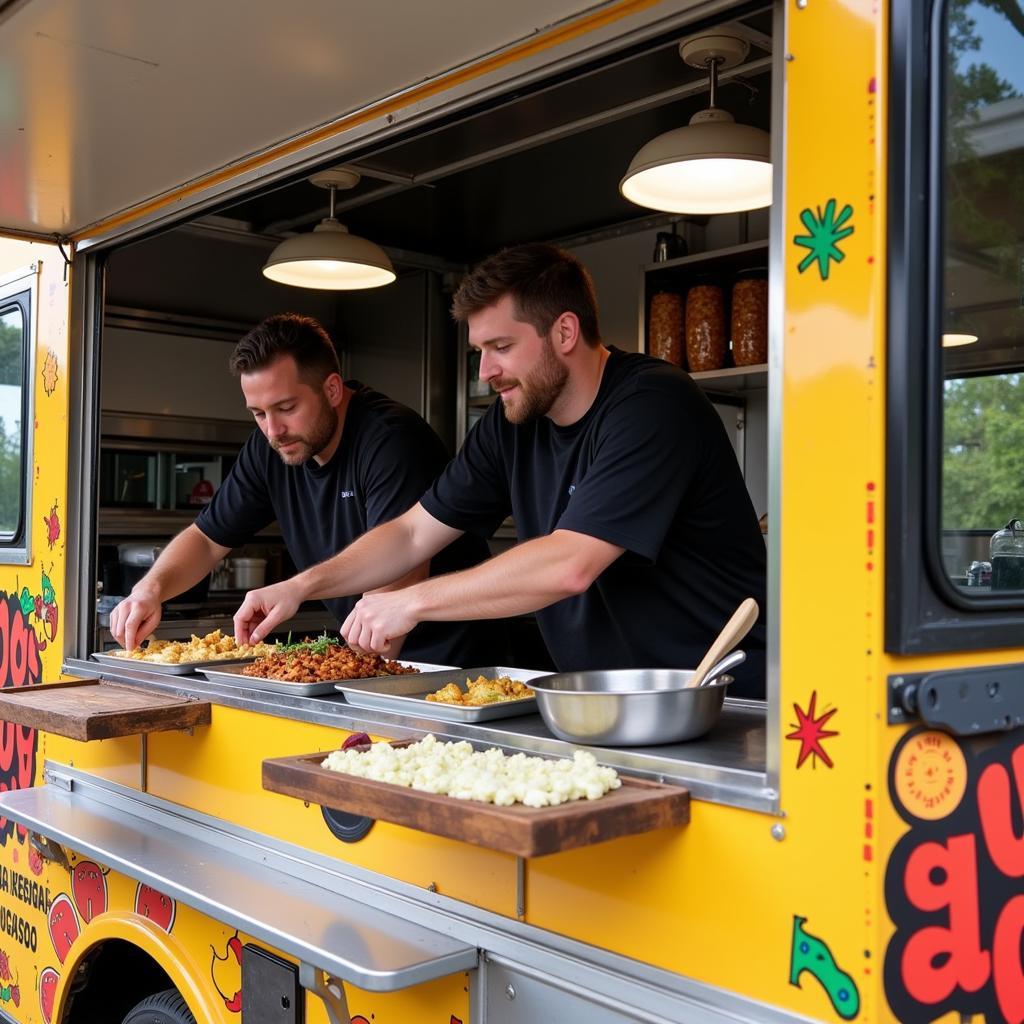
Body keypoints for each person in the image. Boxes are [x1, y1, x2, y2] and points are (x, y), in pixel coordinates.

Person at [234, 246, 768, 697]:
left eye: (502, 348)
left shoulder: (652, 404)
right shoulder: (514, 423)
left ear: (564, 332)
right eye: (479, 351)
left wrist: (411, 602)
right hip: (601, 703)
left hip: (719, 701)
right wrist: (300, 587)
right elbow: (413, 532)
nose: (486, 371)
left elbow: (570, 564)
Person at [109, 313, 495, 666]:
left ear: (331, 389)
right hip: (367, 658)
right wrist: (150, 590)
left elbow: (400, 572)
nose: (273, 430)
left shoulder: (391, 440)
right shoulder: (271, 447)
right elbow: (207, 539)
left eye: (286, 407)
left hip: (446, 665)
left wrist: (331, 669)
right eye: (258, 414)